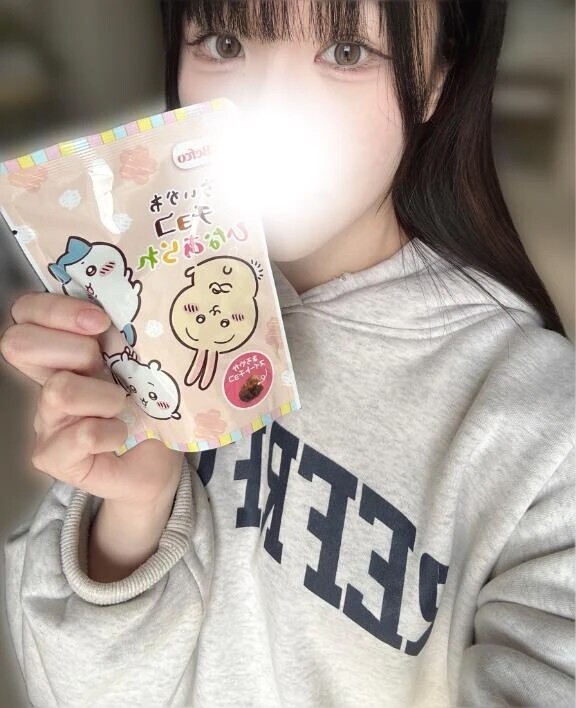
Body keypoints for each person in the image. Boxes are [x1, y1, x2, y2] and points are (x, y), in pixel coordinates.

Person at [1, 1, 574, 706]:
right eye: (224, 41)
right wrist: (132, 518)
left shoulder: (547, 435)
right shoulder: (142, 323)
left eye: (347, 52)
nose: (262, 111)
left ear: (436, 81)